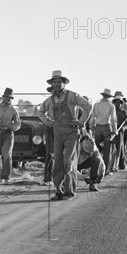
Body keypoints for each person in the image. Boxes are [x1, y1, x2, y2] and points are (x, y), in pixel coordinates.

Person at [37, 70, 91, 201]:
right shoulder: (49, 100)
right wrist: (49, 123)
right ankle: (58, 190)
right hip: (57, 131)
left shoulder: (73, 96)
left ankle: (69, 192)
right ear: (52, 83)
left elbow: (88, 106)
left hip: (72, 132)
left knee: (69, 162)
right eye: (54, 82)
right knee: (58, 162)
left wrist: (80, 122)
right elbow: (40, 113)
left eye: (59, 81)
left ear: (64, 83)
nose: (56, 84)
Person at [0, 88, 21, 184]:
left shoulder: (14, 110)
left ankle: (6, 177)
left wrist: (11, 127)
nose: (7, 99)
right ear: (3, 97)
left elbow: (18, 124)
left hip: (8, 134)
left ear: (12, 99)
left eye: (9, 98)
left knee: (7, 155)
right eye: (6, 97)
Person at [91, 88, 118, 175]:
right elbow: (113, 119)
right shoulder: (111, 106)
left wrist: (91, 127)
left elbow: (92, 118)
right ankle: (106, 170)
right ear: (109, 97)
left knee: (97, 150)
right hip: (107, 127)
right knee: (107, 150)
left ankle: (97, 168)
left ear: (102, 95)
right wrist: (115, 130)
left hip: (98, 127)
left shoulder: (96, 105)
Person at [111, 91, 127, 171]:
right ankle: (111, 165)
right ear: (114, 103)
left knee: (119, 149)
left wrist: (124, 128)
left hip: (120, 131)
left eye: (119, 102)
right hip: (112, 130)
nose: (118, 104)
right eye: (116, 102)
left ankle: (117, 165)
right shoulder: (111, 110)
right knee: (111, 148)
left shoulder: (124, 112)